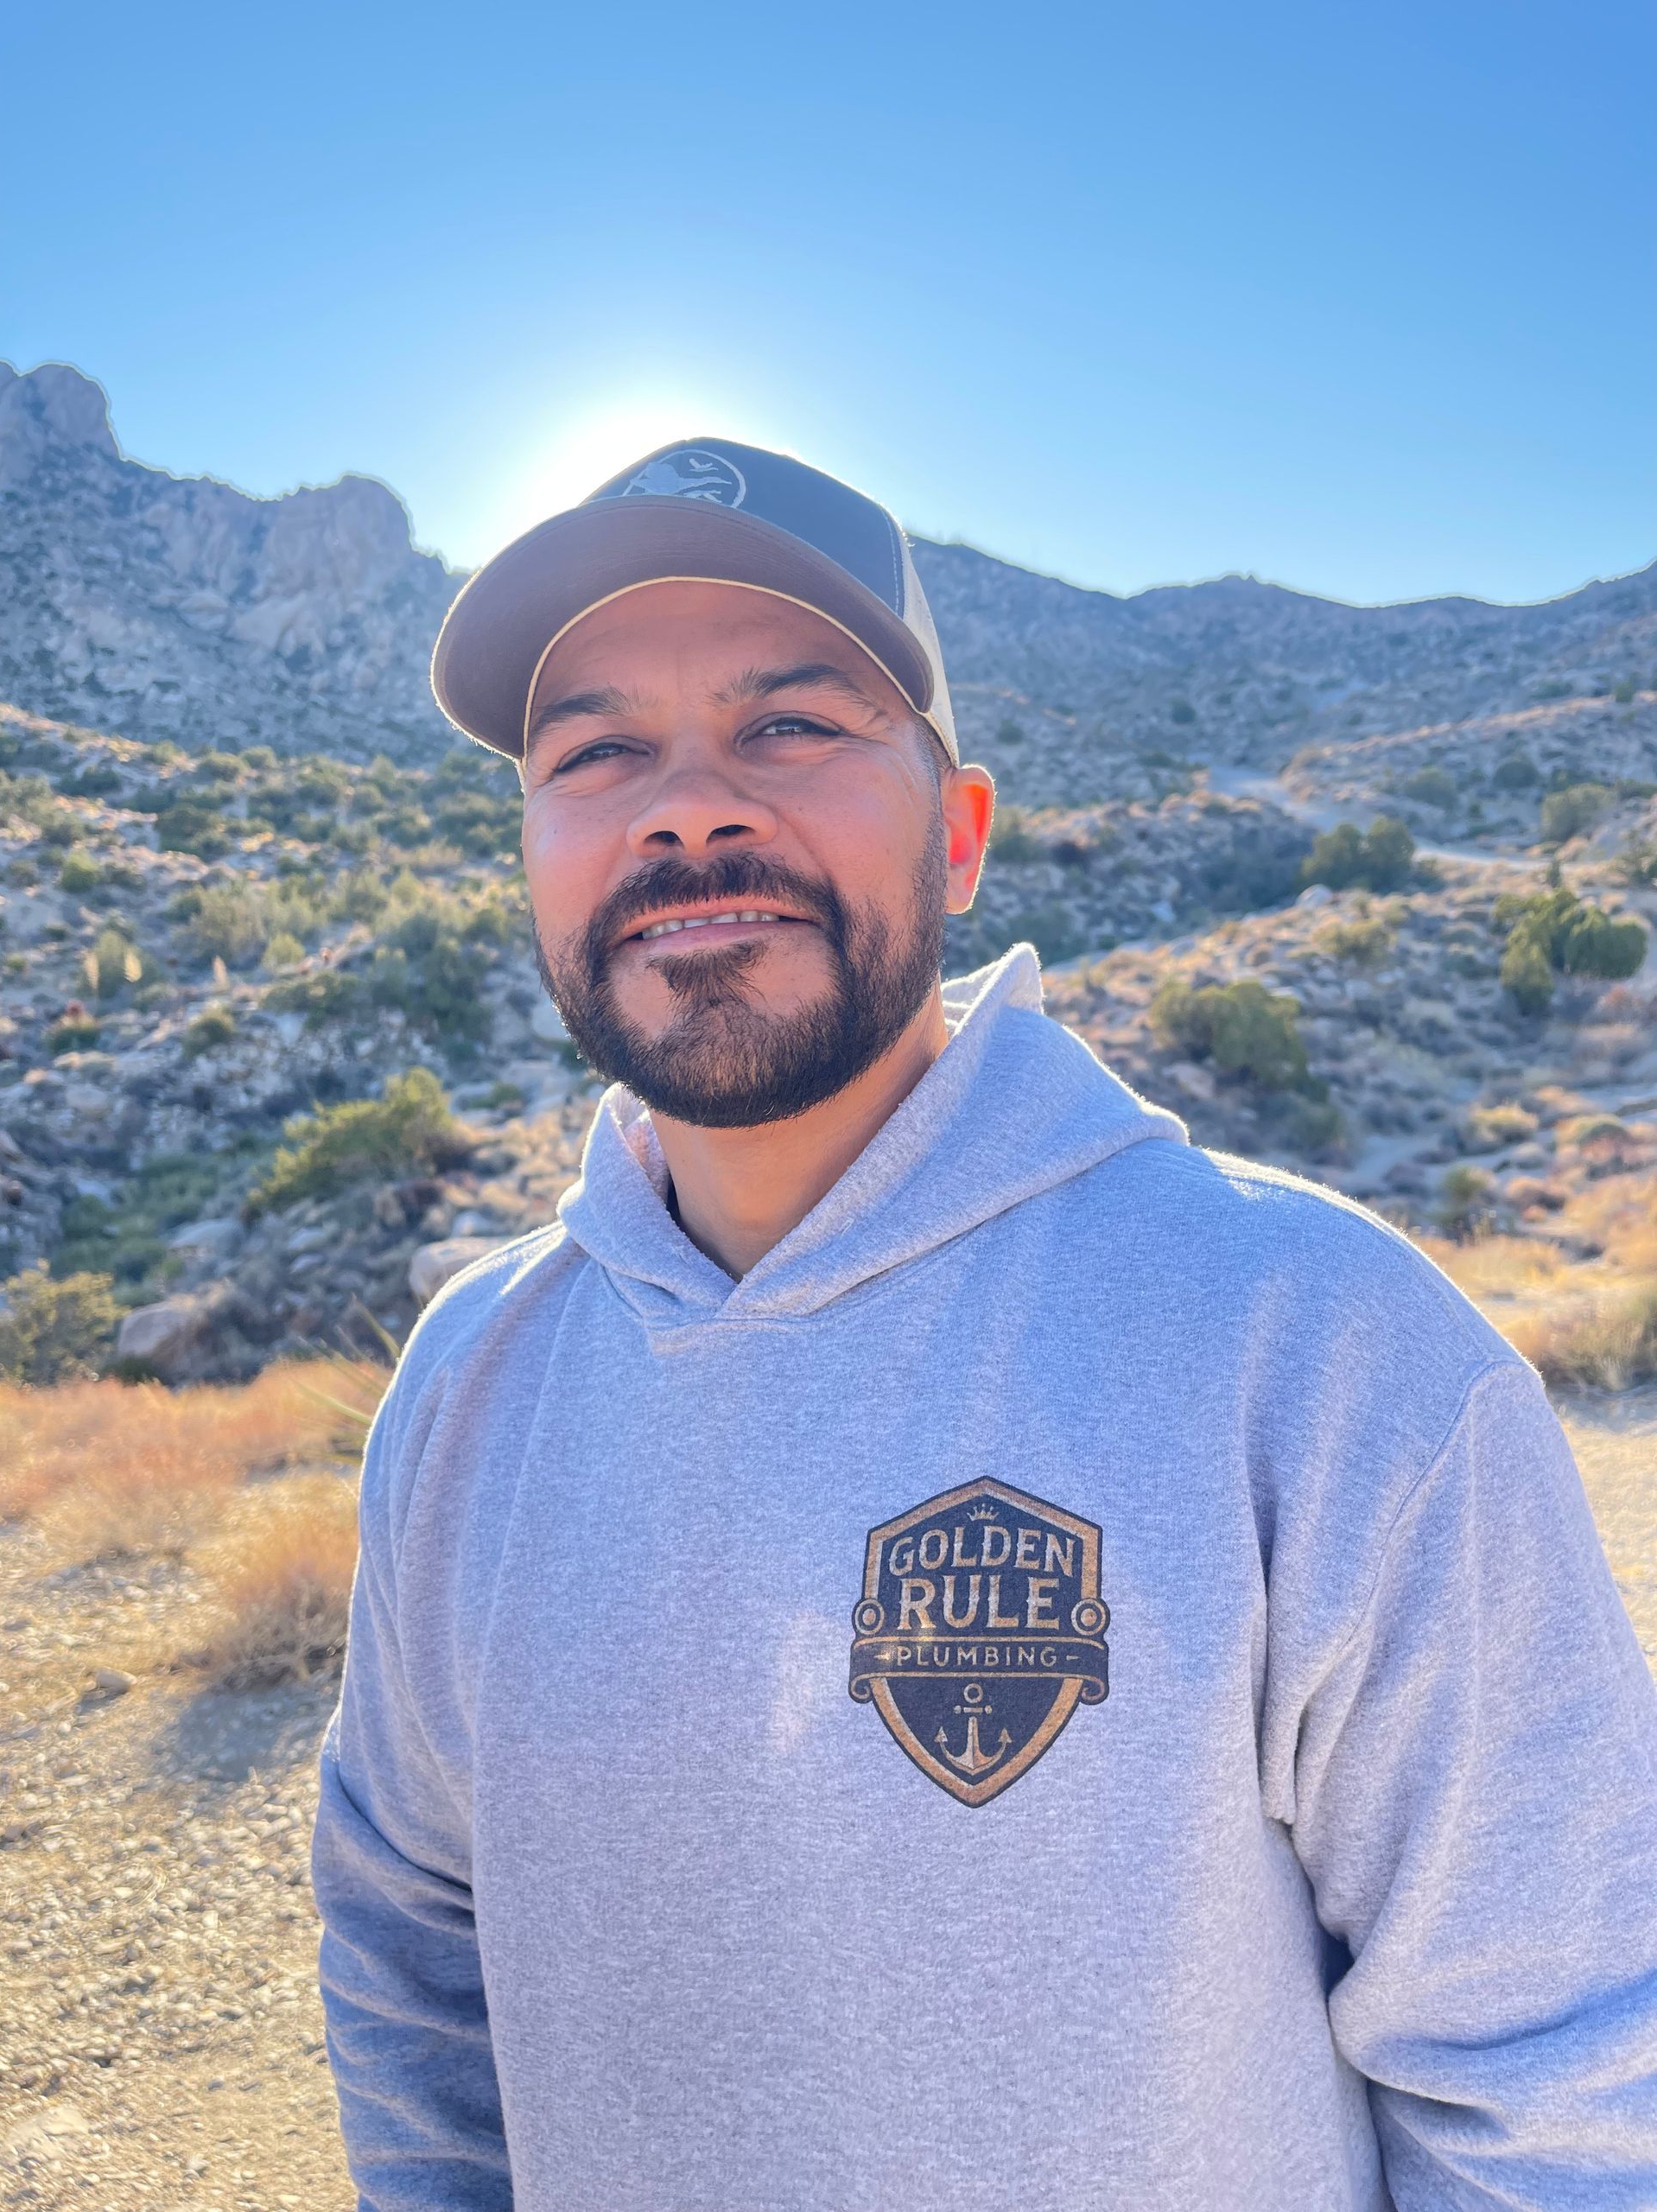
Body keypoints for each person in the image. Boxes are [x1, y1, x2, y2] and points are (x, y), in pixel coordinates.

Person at [310, 439, 1657, 2212]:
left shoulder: (1319, 1348)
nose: (686, 805)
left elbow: (1557, 2095)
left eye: (791, 724)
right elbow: (411, 1940)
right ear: (535, 855)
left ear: (959, 839)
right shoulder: (472, 1380)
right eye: (596, 751)